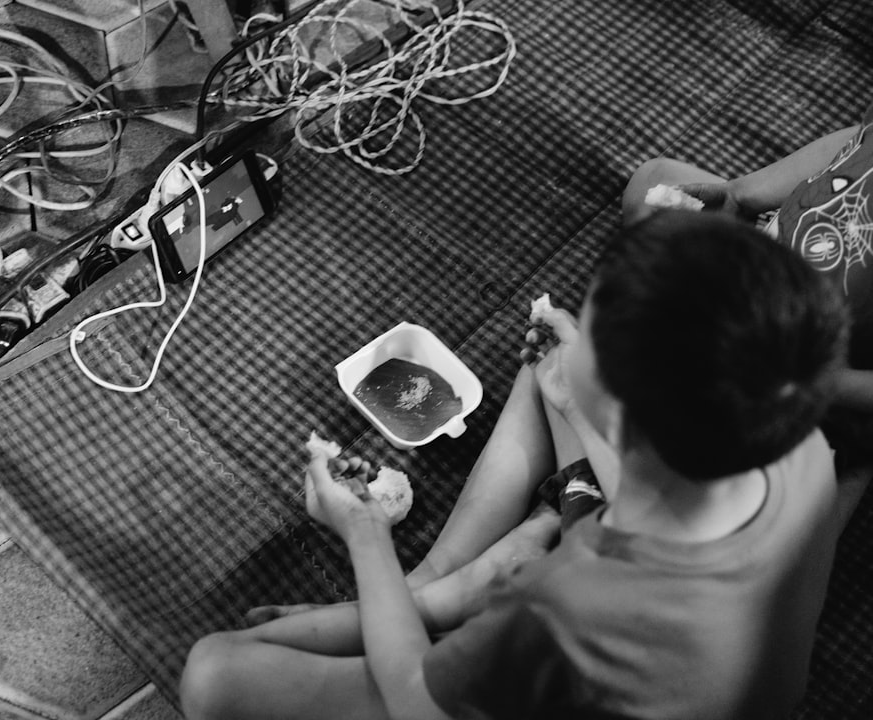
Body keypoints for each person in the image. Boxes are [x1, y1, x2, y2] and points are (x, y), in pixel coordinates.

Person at [179, 211, 851, 719]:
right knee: (542, 369)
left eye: (591, 332)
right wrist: (579, 405)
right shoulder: (804, 453)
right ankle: (443, 584)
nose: (579, 331)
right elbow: (660, 480)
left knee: (213, 673)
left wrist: (365, 537)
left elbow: (418, 700)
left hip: (577, 665)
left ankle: (438, 591)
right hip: (712, 652)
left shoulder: (568, 606)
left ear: (617, 413)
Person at [623, 107, 873, 503]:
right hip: (769, 271)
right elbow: (855, 140)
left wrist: (818, 382)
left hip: (821, 377)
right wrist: (739, 196)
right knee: (655, 180)